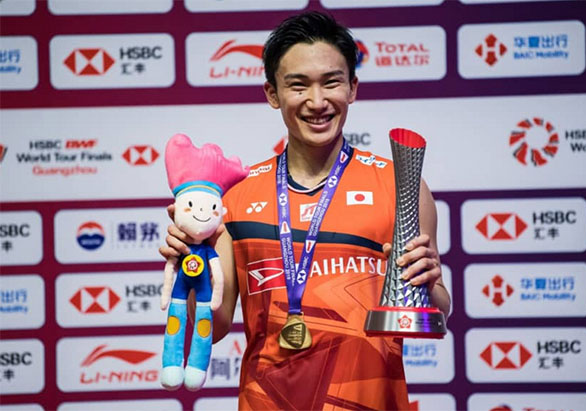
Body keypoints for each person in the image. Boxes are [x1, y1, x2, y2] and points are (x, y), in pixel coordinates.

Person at [160, 11, 451, 410]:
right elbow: (217, 324)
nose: (317, 102)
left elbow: (434, 310)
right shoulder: (236, 196)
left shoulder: (400, 187)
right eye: (298, 86)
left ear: (353, 87)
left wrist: (430, 283)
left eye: (331, 82)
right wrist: (188, 271)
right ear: (272, 94)